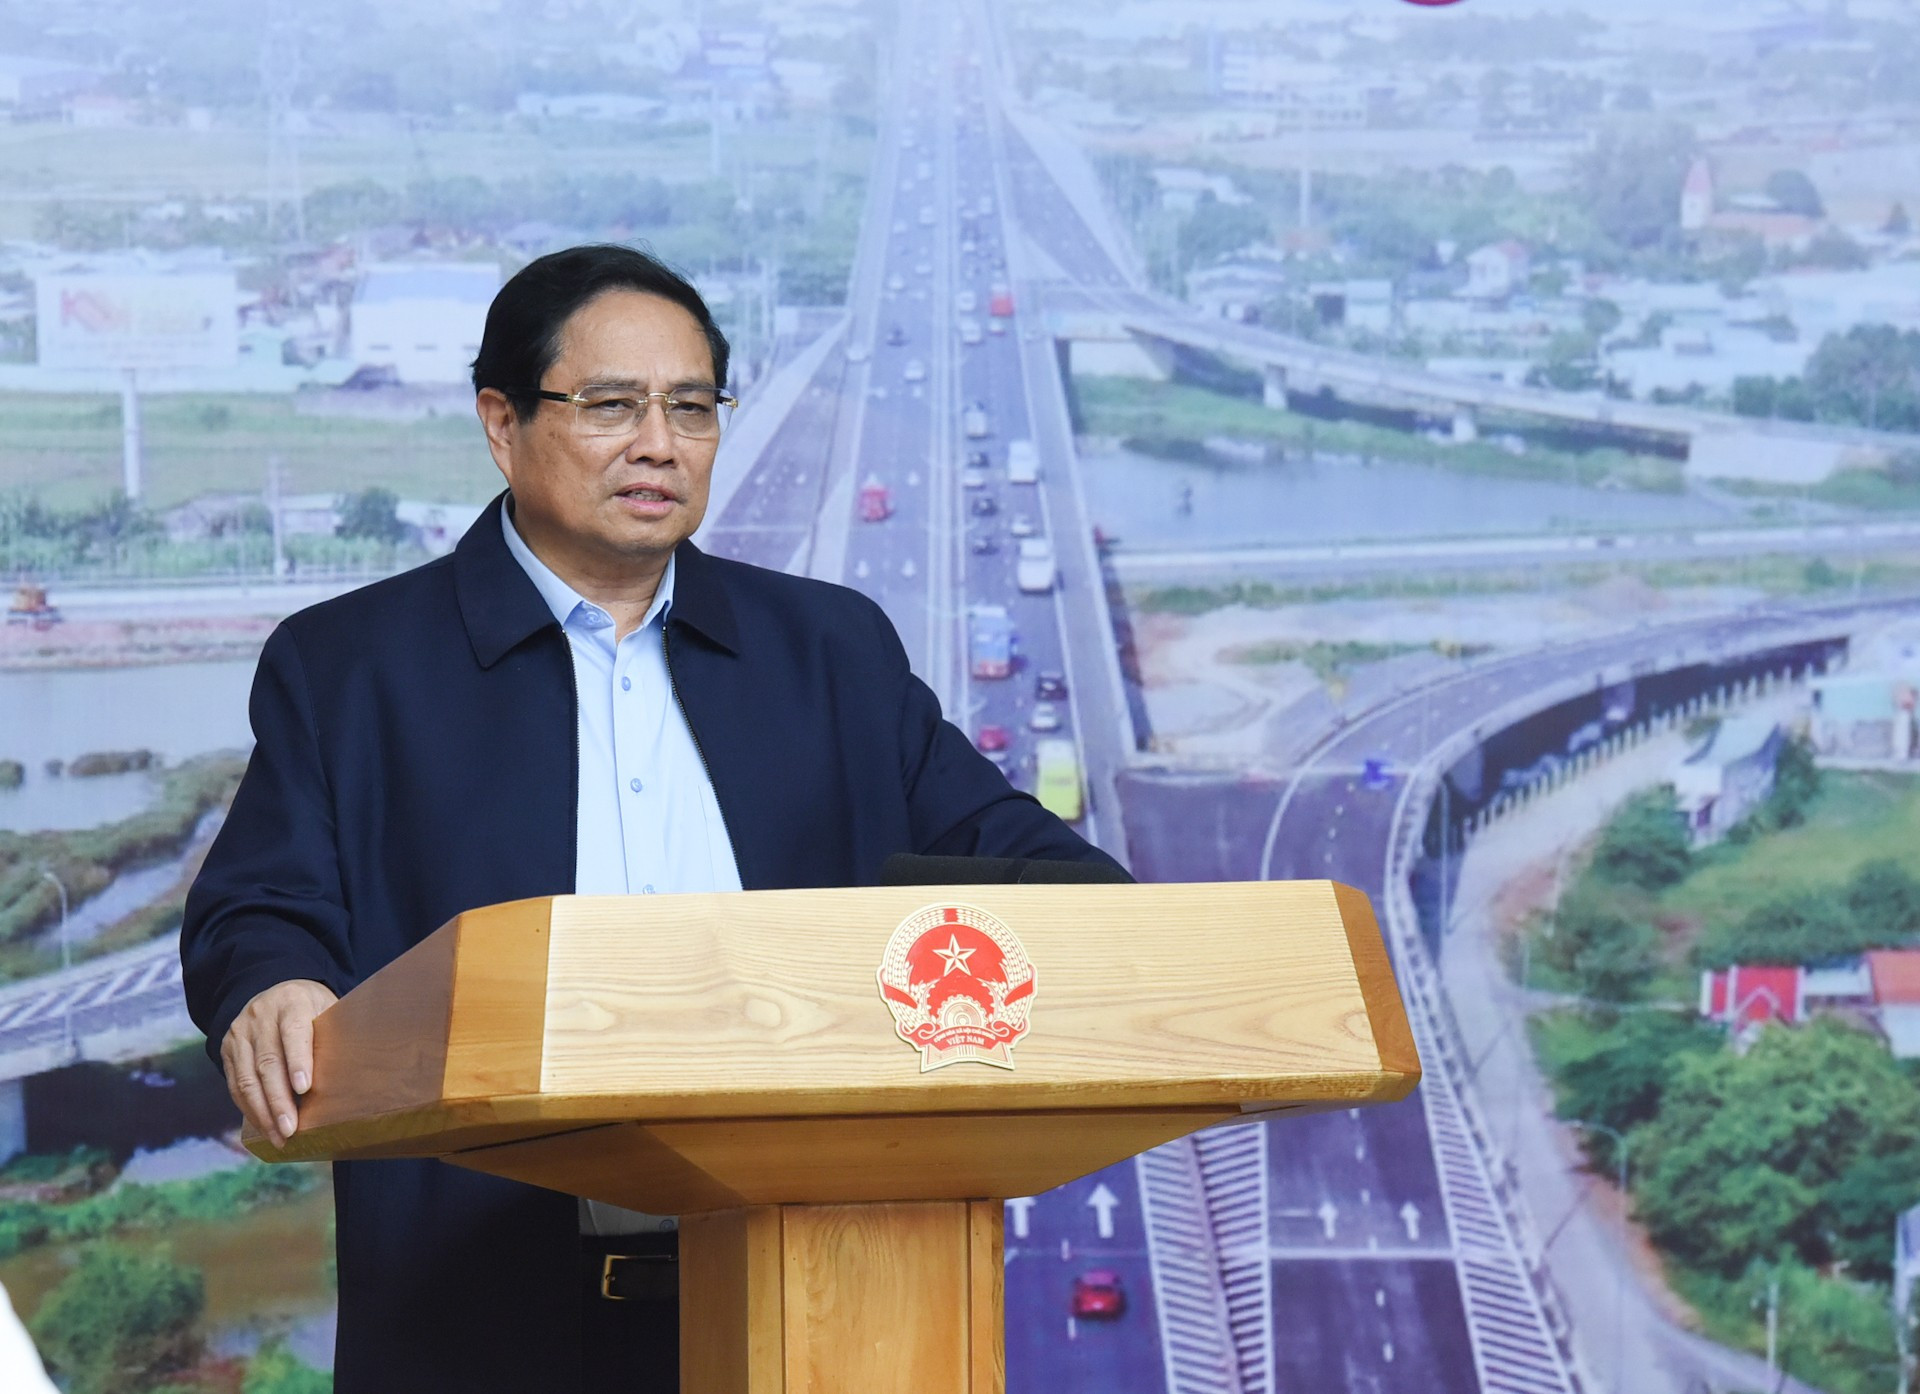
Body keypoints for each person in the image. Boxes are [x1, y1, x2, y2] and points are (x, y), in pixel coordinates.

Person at [180, 244, 1122, 1393]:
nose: (659, 444)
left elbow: (1034, 869)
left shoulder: (830, 653)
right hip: (483, 1322)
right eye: (611, 405)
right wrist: (273, 983)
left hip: (814, 1301)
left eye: (691, 407)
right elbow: (258, 905)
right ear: (502, 422)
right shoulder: (352, 667)